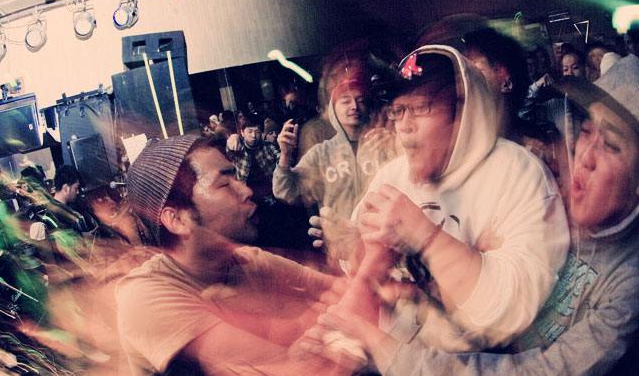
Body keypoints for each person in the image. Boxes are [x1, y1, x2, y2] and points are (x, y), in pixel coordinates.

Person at [314, 54, 639, 376]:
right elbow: (373, 279)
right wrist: (357, 249)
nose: (584, 155)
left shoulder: (627, 283)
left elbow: (540, 369)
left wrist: (384, 346)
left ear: (463, 113)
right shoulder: (565, 198)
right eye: (586, 132)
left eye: (611, 145)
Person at [350, 46, 569, 351]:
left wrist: (423, 235)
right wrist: (351, 245)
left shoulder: (518, 174)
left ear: (463, 112)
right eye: (398, 111)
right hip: (399, 362)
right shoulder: (391, 177)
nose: (404, 125)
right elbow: (359, 272)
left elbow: (512, 312)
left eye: (420, 107)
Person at [115, 134, 356, 376]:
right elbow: (301, 370)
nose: (246, 190)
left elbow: (342, 290)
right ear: (177, 220)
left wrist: (356, 250)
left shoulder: (248, 261)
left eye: (236, 178)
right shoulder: (142, 297)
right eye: (224, 184)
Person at [274, 77, 394, 263]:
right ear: (333, 109)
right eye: (345, 101)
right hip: (342, 251)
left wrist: (398, 144)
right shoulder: (321, 154)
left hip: (386, 245)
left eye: (361, 100)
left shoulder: (382, 143)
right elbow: (285, 191)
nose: (354, 106)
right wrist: (285, 155)